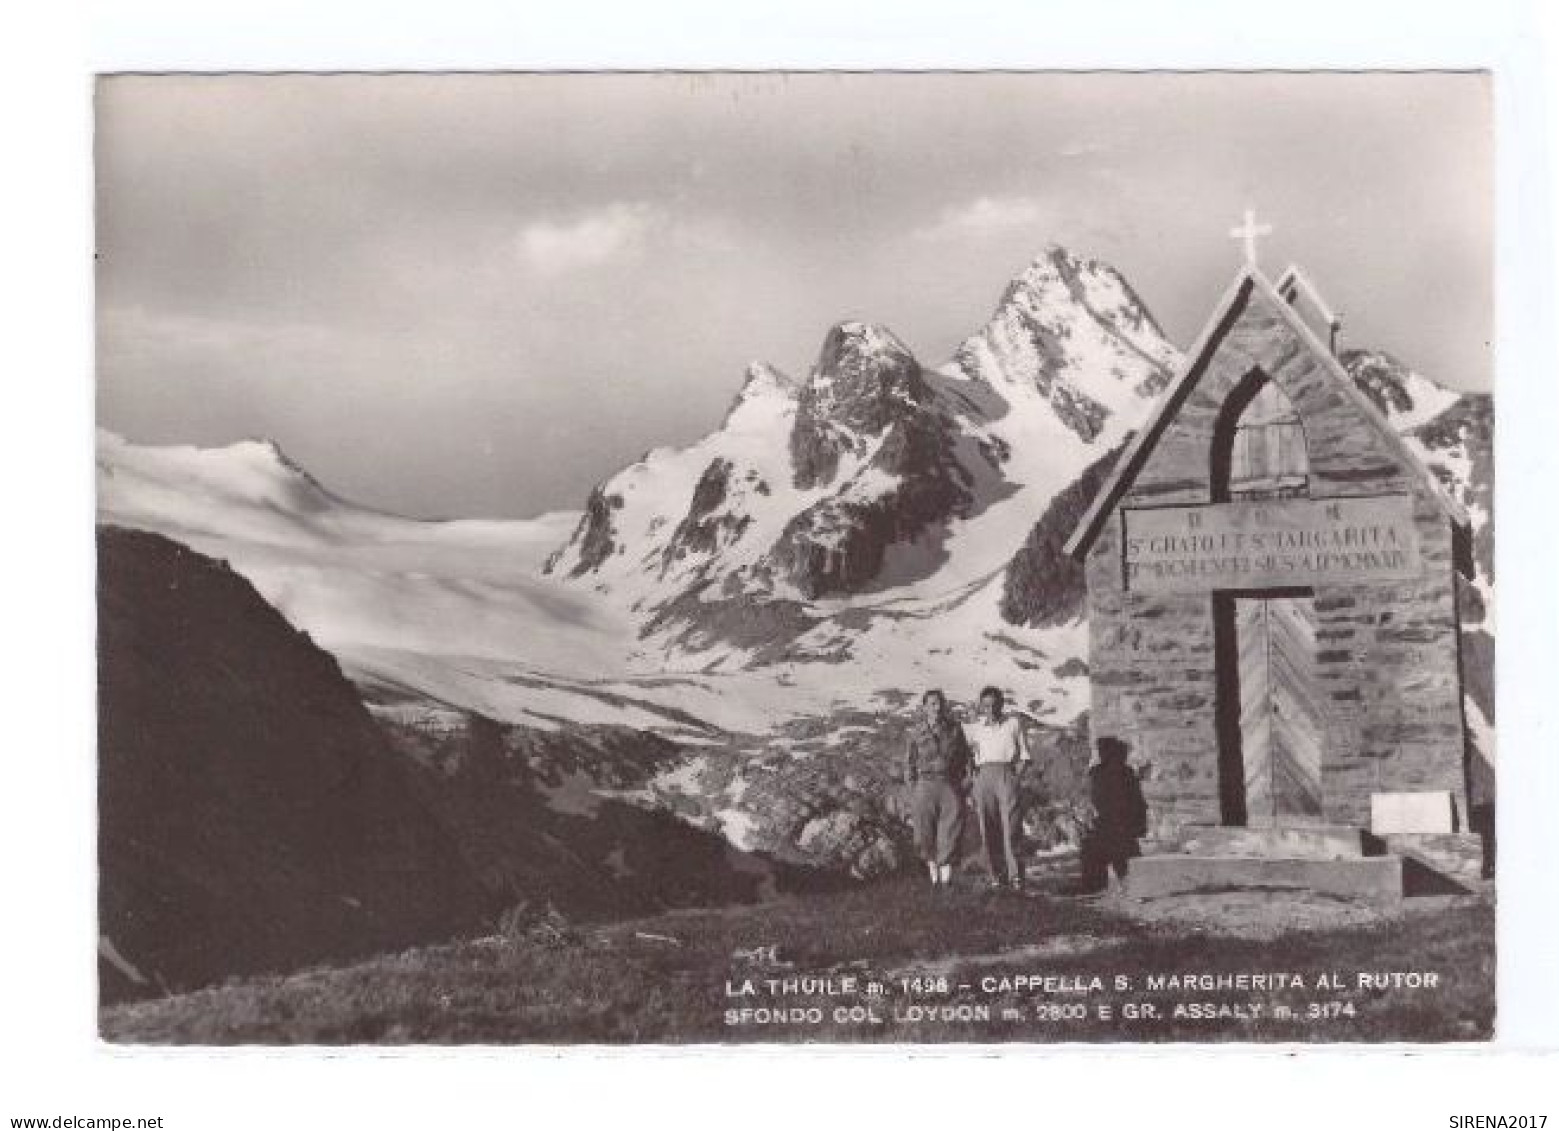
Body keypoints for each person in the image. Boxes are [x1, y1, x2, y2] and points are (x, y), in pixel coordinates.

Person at [962, 686, 1031, 892]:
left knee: (1012, 826)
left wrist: (1014, 777)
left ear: (1001, 704)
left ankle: (1016, 877)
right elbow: (967, 755)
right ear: (982, 707)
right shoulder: (976, 728)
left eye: (994, 704)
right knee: (988, 827)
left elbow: (1025, 755)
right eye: (986, 705)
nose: (990, 709)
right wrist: (973, 776)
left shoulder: (1013, 724)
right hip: (983, 777)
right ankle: (996, 877)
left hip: (1006, 774)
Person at [902, 689, 972, 890]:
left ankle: (946, 881)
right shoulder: (916, 733)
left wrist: (964, 785)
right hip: (924, 785)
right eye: (932, 704)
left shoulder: (955, 729)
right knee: (924, 833)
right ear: (924, 708)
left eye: (940, 703)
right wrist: (913, 789)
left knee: (950, 831)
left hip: (949, 785)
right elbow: (908, 763)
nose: (937, 707)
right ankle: (933, 879)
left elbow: (965, 759)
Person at [1078, 736, 1148, 895]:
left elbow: (1136, 803)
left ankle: (1120, 883)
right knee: (1097, 849)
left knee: (1116, 850)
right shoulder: (1102, 773)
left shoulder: (1121, 773)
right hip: (1113, 824)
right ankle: (1102, 884)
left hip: (1120, 824)